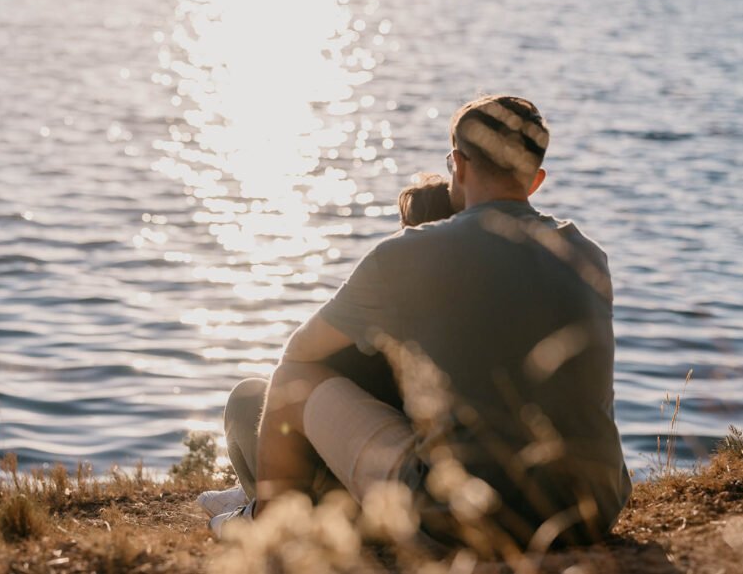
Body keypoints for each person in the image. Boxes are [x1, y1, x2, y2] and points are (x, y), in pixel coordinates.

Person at [205, 95, 632, 553]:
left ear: (459, 166)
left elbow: (300, 354)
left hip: (469, 521)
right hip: (592, 512)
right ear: (537, 179)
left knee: (291, 382)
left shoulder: (411, 254)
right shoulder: (589, 255)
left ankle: (265, 524)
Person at [198, 172, 454, 519]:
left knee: (249, 397)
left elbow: (294, 367)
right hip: (413, 471)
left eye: (404, 229)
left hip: (349, 488)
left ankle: (254, 502)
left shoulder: (382, 319)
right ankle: (248, 494)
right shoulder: (468, 315)